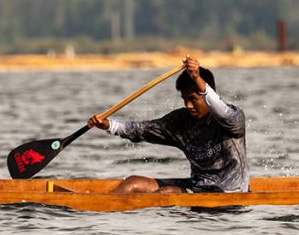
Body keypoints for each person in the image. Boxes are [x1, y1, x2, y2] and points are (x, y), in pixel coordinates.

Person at [87, 57, 249, 193]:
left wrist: (197, 78)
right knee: (132, 182)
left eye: (193, 99)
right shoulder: (180, 121)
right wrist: (108, 125)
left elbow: (220, 108)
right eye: (184, 99)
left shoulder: (233, 120)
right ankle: (100, 208)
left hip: (230, 192)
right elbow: (141, 130)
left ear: (207, 96)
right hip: (197, 188)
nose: (188, 106)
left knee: (167, 193)